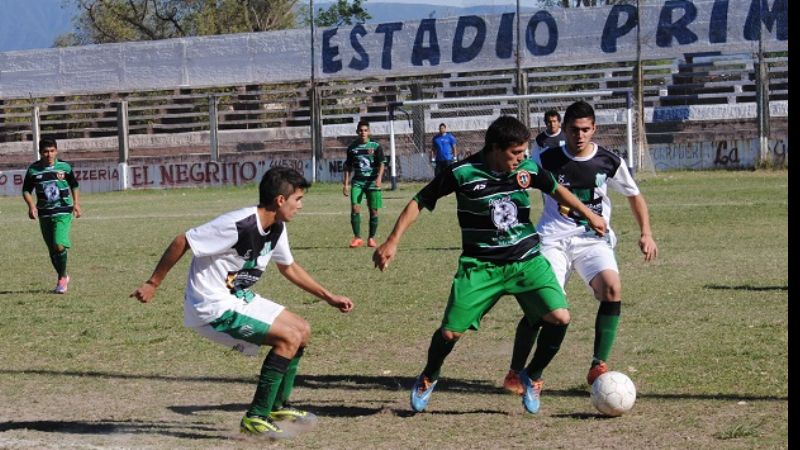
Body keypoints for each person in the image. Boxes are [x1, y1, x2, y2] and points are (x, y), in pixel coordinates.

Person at [372, 115, 606, 415]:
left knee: (560, 317)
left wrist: (589, 214)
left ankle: (532, 375)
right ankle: (429, 376)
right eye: (515, 153)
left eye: (523, 152)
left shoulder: (527, 169)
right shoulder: (462, 172)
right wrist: (392, 240)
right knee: (449, 334)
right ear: (494, 148)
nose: (521, 158)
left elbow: (555, 189)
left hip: (526, 261)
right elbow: (420, 200)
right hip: (480, 265)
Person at [130, 167, 354, 439]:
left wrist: (329, 297)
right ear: (280, 201)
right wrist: (153, 283)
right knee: (287, 339)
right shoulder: (239, 224)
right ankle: (255, 417)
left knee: (302, 330)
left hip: (238, 297)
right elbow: (183, 240)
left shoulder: (277, 227)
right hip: (212, 305)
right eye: (298, 199)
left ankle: (276, 408)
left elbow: (289, 268)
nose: (301, 205)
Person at [502, 100, 658, 395]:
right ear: (566, 129)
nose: (580, 135)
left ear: (594, 129)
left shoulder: (609, 161)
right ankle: (516, 371)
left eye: (586, 129)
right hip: (552, 239)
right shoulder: (546, 159)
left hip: (592, 239)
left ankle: (599, 364)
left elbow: (634, 196)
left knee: (612, 288)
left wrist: (646, 233)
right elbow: (516, 182)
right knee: (545, 306)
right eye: (574, 129)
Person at [22, 138, 81, 294]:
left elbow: (74, 185)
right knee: (52, 250)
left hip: (63, 211)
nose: (49, 154)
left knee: (58, 243)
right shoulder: (33, 170)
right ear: (40, 152)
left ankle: (62, 278)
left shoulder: (64, 168)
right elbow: (26, 190)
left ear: (57, 150)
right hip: (45, 213)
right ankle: (63, 276)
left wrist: (76, 203)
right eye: (46, 151)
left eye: (52, 151)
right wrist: (31, 206)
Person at [343, 120, 385, 248]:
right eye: (361, 130)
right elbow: (347, 167)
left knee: (374, 211)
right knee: (355, 207)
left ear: (369, 132)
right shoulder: (352, 148)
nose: (363, 133)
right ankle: (357, 238)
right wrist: (345, 184)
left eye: (365, 130)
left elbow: (382, 163)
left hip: (372, 182)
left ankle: (371, 238)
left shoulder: (376, 146)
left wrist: (379, 179)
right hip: (358, 182)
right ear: (357, 132)